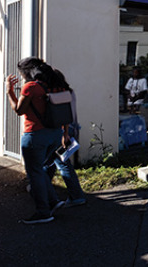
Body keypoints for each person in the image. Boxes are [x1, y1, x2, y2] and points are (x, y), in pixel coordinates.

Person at [6, 57, 68, 224]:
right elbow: (65, 111)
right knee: (41, 170)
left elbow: (19, 110)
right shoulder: (56, 85)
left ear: (27, 72)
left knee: (34, 173)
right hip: (55, 134)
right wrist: (65, 133)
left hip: (35, 135)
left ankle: (43, 212)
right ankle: (54, 201)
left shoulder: (31, 87)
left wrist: (9, 91)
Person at [44, 69, 87, 208]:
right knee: (51, 161)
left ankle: (77, 196)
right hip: (71, 128)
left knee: (61, 164)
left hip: (62, 131)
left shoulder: (55, 94)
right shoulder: (70, 91)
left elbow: (61, 114)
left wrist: (64, 132)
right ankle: (41, 186)